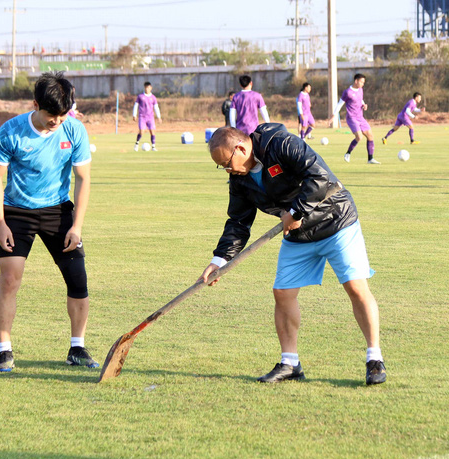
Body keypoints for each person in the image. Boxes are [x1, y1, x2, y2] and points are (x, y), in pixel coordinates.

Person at [201, 125, 386, 386]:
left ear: (241, 148)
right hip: (298, 234)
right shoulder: (239, 179)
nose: (227, 170)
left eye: (226, 163)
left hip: (336, 220)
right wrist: (219, 260)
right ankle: (290, 363)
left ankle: (374, 358)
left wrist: (296, 211)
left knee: (356, 287)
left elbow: (318, 176)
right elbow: (238, 223)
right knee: (283, 293)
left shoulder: (278, 143)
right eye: (222, 167)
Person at [0, 71, 97, 372]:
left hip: (58, 211)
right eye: (51, 115)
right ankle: (4, 350)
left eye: (62, 116)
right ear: (35, 104)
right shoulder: (10, 132)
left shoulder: (74, 130)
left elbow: (83, 179)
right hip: (17, 213)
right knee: (10, 278)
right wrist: (1, 223)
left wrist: (77, 226)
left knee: (78, 279)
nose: (56, 122)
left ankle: (77, 348)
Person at [330, 73, 379, 164]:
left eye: (363, 82)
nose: (362, 84)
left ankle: (370, 159)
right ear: (356, 81)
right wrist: (333, 116)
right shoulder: (347, 92)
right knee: (359, 137)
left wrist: (364, 105)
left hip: (360, 117)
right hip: (351, 118)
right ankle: (348, 153)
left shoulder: (360, 90)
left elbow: (360, 99)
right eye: (361, 82)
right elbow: (340, 104)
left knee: (370, 135)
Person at [133, 81, 162, 151]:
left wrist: (159, 117)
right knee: (142, 131)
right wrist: (134, 115)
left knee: (152, 131)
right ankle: (136, 144)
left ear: (151, 88)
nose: (147, 89)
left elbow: (156, 107)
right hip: (142, 116)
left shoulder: (153, 97)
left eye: (148, 88)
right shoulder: (140, 96)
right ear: (144, 88)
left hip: (150, 117)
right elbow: (136, 105)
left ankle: (153, 146)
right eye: (146, 88)